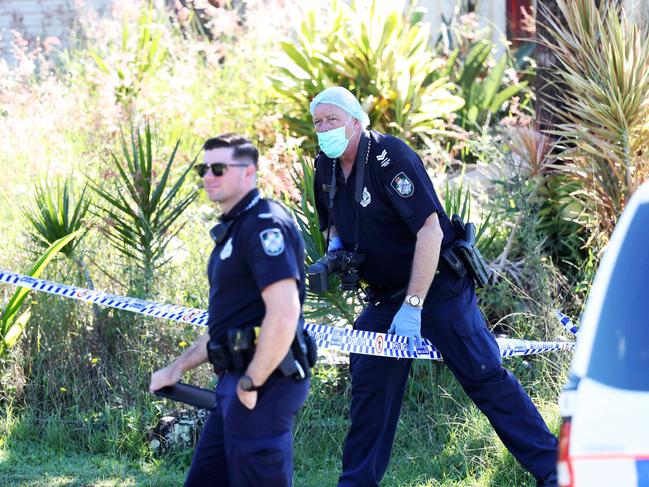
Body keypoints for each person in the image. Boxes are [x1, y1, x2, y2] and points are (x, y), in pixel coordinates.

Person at [309, 87, 558, 487]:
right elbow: (332, 221)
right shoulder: (326, 165)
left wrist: (414, 305)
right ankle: (356, 483)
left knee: (486, 378)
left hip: (437, 288)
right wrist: (336, 249)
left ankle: (555, 472)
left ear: (355, 121)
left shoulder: (391, 157)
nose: (324, 129)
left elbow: (431, 230)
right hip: (384, 296)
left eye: (331, 120)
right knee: (371, 382)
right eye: (318, 122)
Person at [149, 133, 310, 487]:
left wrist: (252, 382)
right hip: (233, 384)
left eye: (219, 168)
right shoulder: (236, 229)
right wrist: (176, 368)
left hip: (264, 384)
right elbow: (225, 325)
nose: (209, 176)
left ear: (249, 172)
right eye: (203, 169)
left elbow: (283, 315)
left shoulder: (265, 226)